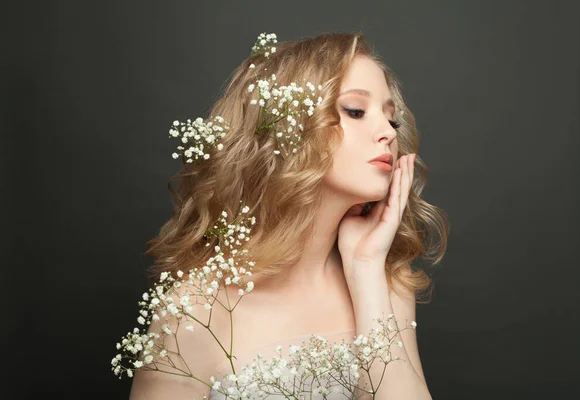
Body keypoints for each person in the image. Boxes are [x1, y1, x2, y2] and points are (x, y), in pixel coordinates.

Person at [129, 31, 448, 399]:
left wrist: (365, 269)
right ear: (288, 129)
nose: (386, 134)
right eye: (355, 111)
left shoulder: (388, 283)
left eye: (391, 120)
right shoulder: (197, 309)